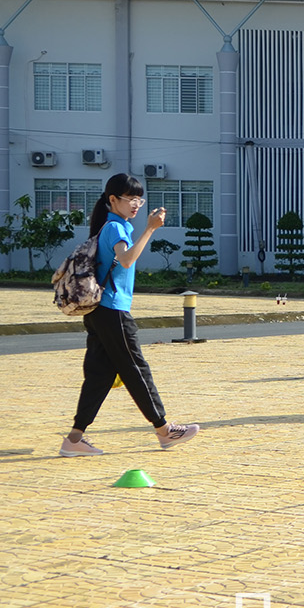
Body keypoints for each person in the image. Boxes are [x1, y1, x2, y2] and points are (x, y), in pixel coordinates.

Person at [60, 174, 202, 457]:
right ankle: (164, 431)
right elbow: (126, 259)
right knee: (136, 369)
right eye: (130, 199)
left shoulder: (112, 225)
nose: (136, 204)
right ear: (113, 200)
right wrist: (150, 229)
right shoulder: (115, 227)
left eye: (139, 199)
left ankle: (74, 440)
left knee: (99, 376)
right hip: (112, 311)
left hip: (101, 312)